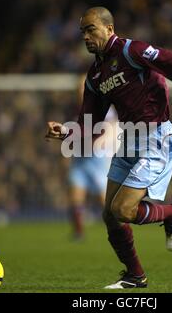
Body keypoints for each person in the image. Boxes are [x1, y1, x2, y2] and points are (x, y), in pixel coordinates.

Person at [45, 6, 172, 289]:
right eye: (82, 31)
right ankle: (135, 276)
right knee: (109, 214)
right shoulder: (95, 75)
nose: (85, 36)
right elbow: (91, 122)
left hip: (156, 138)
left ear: (109, 29)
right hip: (129, 139)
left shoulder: (130, 51)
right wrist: (67, 133)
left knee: (122, 209)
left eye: (91, 29)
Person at [67, 75, 118, 240]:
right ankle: (78, 232)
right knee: (75, 195)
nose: (81, 90)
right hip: (80, 158)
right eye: (79, 87)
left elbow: (111, 126)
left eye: (84, 86)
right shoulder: (74, 108)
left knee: (103, 200)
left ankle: (117, 230)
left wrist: (100, 143)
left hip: (98, 157)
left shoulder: (101, 105)